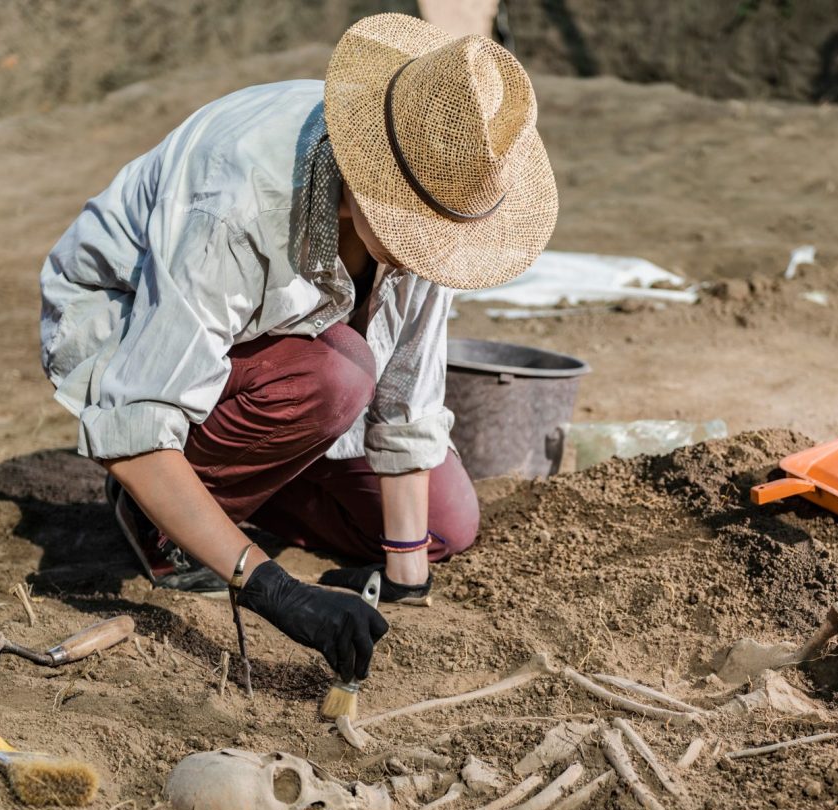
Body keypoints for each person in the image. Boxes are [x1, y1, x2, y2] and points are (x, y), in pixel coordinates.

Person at [37, 14, 557, 685]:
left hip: (284, 355)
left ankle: (244, 472)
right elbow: (134, 424)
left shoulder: (442, 182)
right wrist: (273, 589)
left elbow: (408, 395)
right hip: (128, 330)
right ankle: (157, 521)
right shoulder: (236, 201)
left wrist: (404, 577)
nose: (429, 254)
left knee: (444, 527)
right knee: (336, 377)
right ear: (362, 190)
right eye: (413, 231)